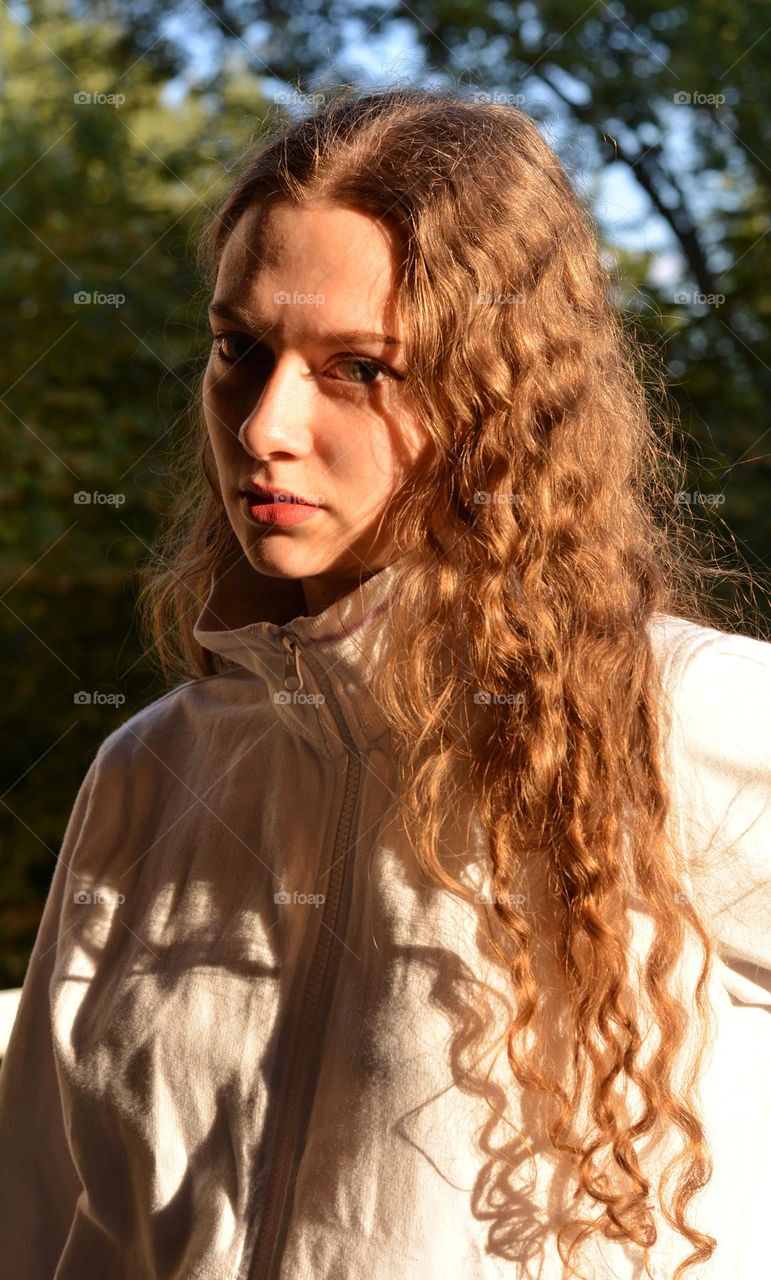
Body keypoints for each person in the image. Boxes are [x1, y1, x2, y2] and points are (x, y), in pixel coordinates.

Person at [1, 84, 769, 1280]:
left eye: (358, 367)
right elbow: (47, 1225)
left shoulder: (688, 722)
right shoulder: (149, 775)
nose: (263, 425)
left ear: (500, 400)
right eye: (237, 351)